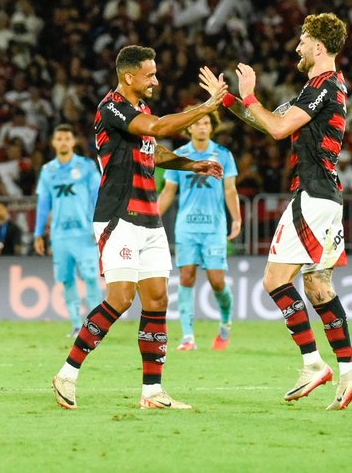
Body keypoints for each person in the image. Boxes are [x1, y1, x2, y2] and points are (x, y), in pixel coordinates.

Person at [202, 13, 352, 410]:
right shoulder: (322, 88)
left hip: (311, 194)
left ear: (319, 47)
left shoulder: (322, 87)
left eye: (302, 40)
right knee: (317, 286)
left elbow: (277, 129)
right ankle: (349, 372)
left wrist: (250, 92)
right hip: (326, 196)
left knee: (275, 281)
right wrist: (227, 100)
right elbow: (268, 122)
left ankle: (313, 364)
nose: (297, 47)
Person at [52, 45, 226, 411]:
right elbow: (159, 127)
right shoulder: (111, 107)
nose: (156, 80)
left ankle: (152, 391)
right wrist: (207, 106)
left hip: (149, 218)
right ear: (129, 76)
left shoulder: (140, 111)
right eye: (150, 75)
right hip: (119, 216)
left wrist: (192, 165)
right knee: (120, 298)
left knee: (158, 300)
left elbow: (155, 149)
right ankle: (67, 373)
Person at [157, 112, 241, 351]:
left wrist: (236, 219)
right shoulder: (179, 157)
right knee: (186, 277)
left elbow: (230, 190)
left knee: (217, 281)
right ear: (189, 129)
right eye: (197, 124)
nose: (202, 127)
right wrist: (151, 217)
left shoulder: (223, 155)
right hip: (187, 228)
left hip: (214, 227)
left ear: (211, 127)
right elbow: (168, 192)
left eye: (206, 123)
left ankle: (225, 324)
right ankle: (187, 337)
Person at [34, 124, 103, 337]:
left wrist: (98, 225)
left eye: (67, 138)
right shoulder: (48, 171)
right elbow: (43, 203)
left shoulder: (86, 166)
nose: (63, 142)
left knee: (91, 277)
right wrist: (38, 233)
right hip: (60, 235)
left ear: (73, 142)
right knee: (67, 280)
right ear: (54, 143)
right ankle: (76, 326)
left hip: (85, 233)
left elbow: (96, 196)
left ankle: (97, 327)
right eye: (59, 139)